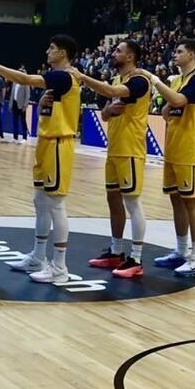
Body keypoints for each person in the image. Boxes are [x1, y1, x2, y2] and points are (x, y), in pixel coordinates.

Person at [0, 35, 81, 284]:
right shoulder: (58, 81)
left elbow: (24, 79)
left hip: (58, 144)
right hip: (46, 143)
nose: (48, 51)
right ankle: (37, 256)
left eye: (52, 48)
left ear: (63, 53)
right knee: (40, 200)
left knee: (56, 204)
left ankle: (59, 266)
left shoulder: (64, 75)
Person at [76, 39, 151, 278]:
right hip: (115, 148)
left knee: (132, 203)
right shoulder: (120, 79)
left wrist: (82, 77)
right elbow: (107, 114)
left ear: (130, 57)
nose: (113, 53)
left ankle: (136, 259)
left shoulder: (140, 80)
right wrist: (107, 111)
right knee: (113, 200)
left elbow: (110, 92)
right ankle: (116, 251)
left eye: (118, 50)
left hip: (131, 149)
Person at [148, 40, 195, 278]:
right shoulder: (178, 80)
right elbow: (168, 111)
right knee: (176, 200)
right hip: (173, 148)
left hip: (190, 150)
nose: (174, 54)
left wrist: (154, 80)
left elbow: (179, 101)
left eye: (179, 51)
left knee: (191, 201)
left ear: (192, 55)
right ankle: (181, 250)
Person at [10, 71, 30, 142]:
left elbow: (27, 95)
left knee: (22, 121)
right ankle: (15, 137)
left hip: (21, 104)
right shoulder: (14, 82)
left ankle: (24, 137)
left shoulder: (25, 83)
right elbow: (12, 94)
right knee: (15, 121)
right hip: (15, 103)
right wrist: (10, 104)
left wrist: (25, 105)